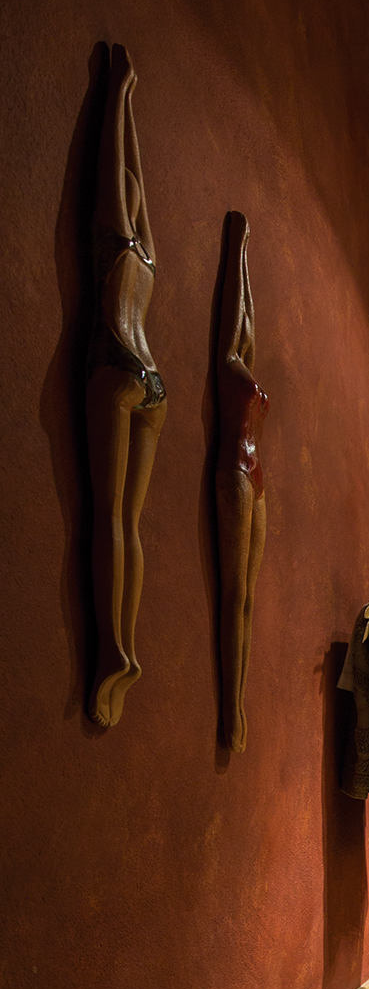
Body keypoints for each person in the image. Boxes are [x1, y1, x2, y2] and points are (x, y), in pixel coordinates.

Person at [86, 44, 167, 728]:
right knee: (131, 522)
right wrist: (132, 99)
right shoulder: (147, 256)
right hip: (154, 378)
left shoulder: (115, 240)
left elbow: (115, 167)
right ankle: (128, 649)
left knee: (107, 515)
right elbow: (134, 175)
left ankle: (113, 648)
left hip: (117, 364)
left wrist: (118, 92)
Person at [215, 211, 268, 753]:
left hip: (256, 475)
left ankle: (241, 702)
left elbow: (249, 323)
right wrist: (239, 246)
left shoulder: (244, 363)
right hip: (233, 470)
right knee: (234, 595)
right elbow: (236, 323)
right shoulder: (228, 363)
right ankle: (230, 709)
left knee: (250, 596)